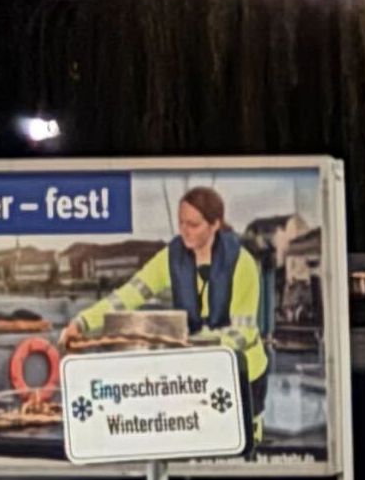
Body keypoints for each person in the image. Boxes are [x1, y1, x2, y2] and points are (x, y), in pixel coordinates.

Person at [71, 183, 270, 446]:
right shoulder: (170, 258)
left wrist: (194, 346)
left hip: (243, 373)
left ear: (215, 225)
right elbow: (129, 294)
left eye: (193, 224)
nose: (184, 230)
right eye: (181, 222)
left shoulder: (242, 264)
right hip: (196, 374)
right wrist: (83, 322)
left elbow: (243, 331)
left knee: (242, 443)